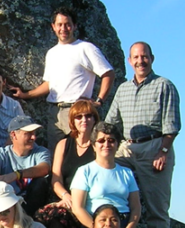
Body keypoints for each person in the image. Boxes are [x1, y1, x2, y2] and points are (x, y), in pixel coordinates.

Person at [105, 42, 180, 228]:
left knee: (157, 204)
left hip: (155, 146)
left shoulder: (164, 86)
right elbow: (111, 122)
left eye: (144, 57)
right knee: (111, 190)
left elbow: (172, 125)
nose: (140, 61)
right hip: (126, 147)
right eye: (136, 57)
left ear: (152, 58)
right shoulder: (123, 89)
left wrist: (163, 152)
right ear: (130, 61)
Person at [11, 8, 115, 148]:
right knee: (56, 156)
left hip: (78, 111)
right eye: (59, 24)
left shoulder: (85, 48)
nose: (63, 28)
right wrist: (26, 94)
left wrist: (99, 101)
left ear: (74, 26)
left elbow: (108, 73)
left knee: (82, 151)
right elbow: (49, 84)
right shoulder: (52, 53)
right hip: (55, 112)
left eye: (67, 24)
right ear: (53, 27)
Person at [35, 101, 100, 228]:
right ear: (72, 120)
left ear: (95, 119)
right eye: (79, 116)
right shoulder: (64, 144)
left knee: (60, 217)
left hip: (89, 201)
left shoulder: (98, 146)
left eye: (89, 116)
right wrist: (65, 195)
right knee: (55, 217)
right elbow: (55, 177)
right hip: (66, 199)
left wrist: (78, 200)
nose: (84, 120)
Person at [71, 123, 141, 228]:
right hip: (93, 224)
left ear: (117, 144)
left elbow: (136, 208)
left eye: (111, 140)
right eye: (101, 140)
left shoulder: (126, 173)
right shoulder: (85, 171)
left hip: (122, 224)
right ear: (93, 145)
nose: (106, 144)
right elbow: (78, 208)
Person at [0, 115, 51, 215]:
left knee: (40, 182)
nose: (34, 137)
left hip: (31, 203)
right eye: (28, 134)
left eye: (34, 133)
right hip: (7, 202)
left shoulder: (41, 151)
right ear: (14, 135)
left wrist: (16, 175)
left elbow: (44, 168)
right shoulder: (2, 153)